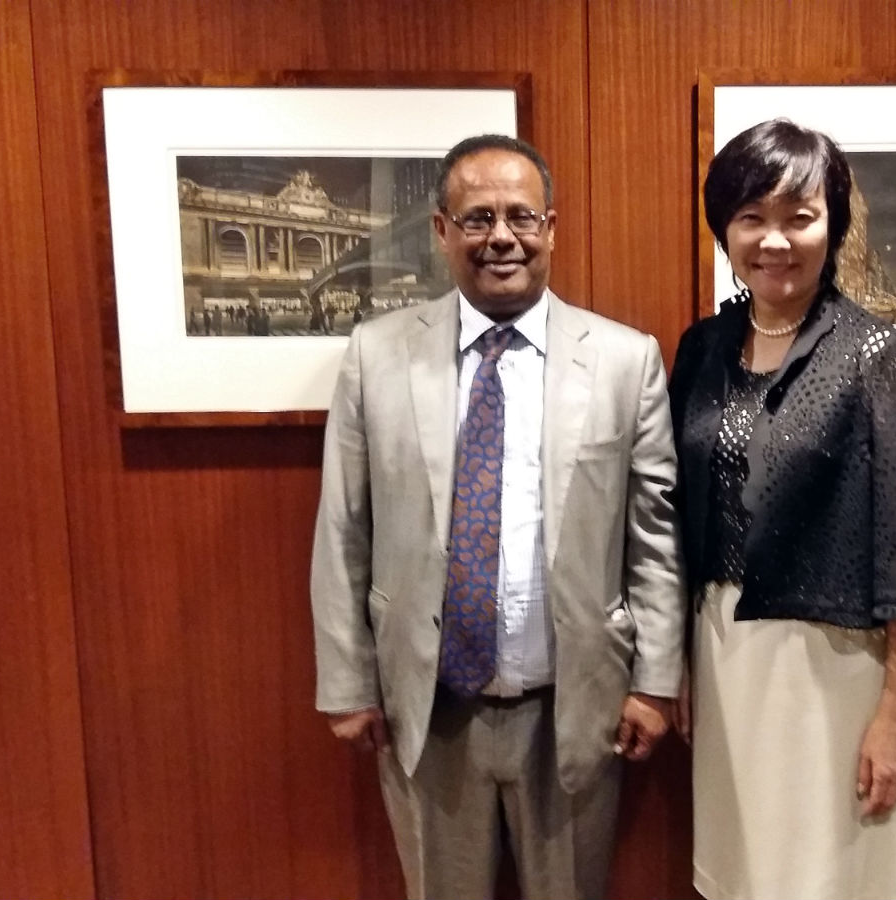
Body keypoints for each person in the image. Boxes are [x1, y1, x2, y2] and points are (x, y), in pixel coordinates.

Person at [310, 134, 685, 900]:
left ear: (552, 226)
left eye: (522, 217)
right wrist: (347, 681)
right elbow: (344, 529)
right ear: (442, 231)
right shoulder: (376, 356)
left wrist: (655, 681)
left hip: (576, 704)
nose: (502, 237)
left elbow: (655, 539)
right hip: (428, 707)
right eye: (478, 218)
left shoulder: (625, 359)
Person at [668, 119, 896, 900]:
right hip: (722, 653)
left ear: (835, 224)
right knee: (743, 868)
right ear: (724, 228)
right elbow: (677, 509)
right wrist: (677, 662)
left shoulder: (874, 356)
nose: (775, 240)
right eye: (752, 217)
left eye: (800, 216)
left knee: (825, 872)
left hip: (829, 666)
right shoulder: (702, 347)